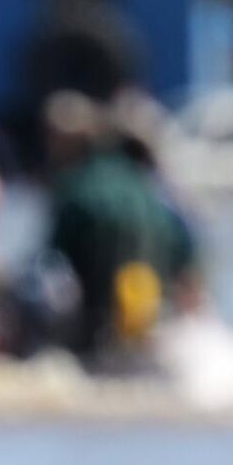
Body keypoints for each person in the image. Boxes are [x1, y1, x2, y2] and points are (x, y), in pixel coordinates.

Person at [39, 90, 201, 360]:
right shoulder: (161, 195)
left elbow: (49, 263)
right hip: (156, 322)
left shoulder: (77, 186)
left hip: (98, 328)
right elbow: (191, 270)